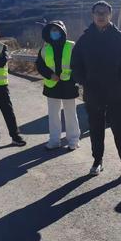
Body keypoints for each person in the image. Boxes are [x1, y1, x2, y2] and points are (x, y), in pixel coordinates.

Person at [71, 0, 121, 180]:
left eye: (104, 13)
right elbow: (75, 65)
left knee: (120, 129)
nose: (101, 16)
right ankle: (97, 161)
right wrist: (84, 82)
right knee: (96, 128)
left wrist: (119, 81)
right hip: (93, 92)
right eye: (97, 12)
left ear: (110, 15)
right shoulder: (84, 40)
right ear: (92, 15)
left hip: (115, 92)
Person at [36, 20, 80, 150]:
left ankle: (73, 140)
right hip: (52, 85)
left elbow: (78, 63)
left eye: (57, 30)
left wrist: (74, 78)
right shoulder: (45, 48)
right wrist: (50, 75)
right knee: (53, 114)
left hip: (69, 84)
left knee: (70, 112)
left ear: (63, 31)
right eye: (52, 30)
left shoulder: (72, 46)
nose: (54, 33)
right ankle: (54, 140)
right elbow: (40, 65)